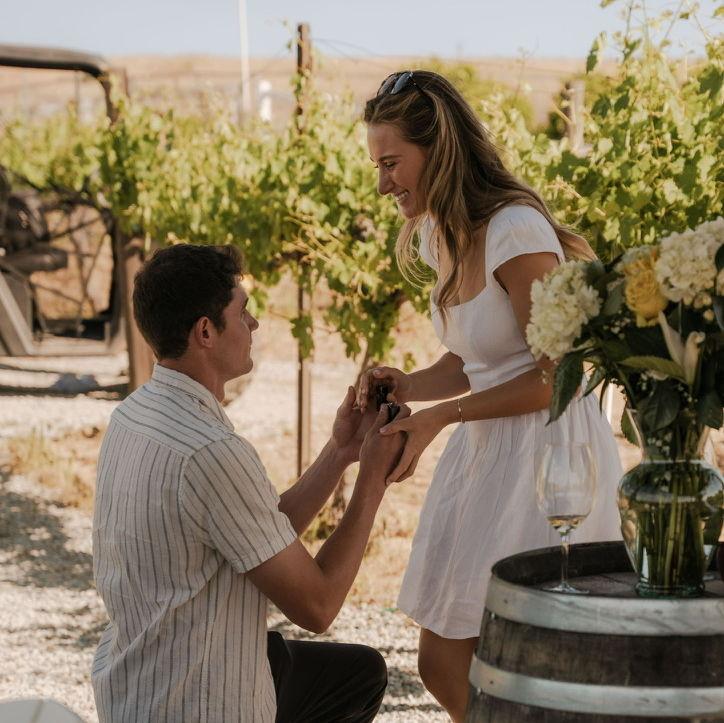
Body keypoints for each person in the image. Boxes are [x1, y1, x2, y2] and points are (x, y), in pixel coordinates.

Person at [358, 70, 622, 721]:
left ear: (437, 151)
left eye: (391, 163)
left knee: (523, 665)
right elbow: (476, 356)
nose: (383, 183)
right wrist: (411, 385)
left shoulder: (515, 231)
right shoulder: (441, 231)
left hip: (548, 459)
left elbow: (555, 375)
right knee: (445, 660)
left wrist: (439, 418)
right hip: (489, 453)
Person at [91, 243, 409, 723]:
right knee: (354, 676)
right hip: (196, 707)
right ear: (205, 332)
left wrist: (342, 452)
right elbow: (318, 607)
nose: (255, 324)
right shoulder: (211, 450)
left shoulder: (134, 414)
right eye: (243, 313)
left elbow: (257, 533)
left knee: (358, 673)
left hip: (139, 690)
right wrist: (373, 480)